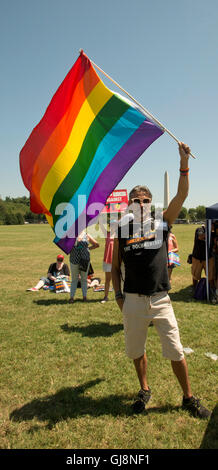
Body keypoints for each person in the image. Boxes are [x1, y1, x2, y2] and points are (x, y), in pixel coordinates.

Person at [112, 142, 211, 419]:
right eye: (136, 200)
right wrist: (118, 296)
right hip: (132, 300)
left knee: (176, 350)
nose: (141, 204)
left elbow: (181, 194)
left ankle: (188, 397)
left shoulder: (162, 222)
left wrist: (183, 164)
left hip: (160, 299)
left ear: (150, 204)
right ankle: (144, 389)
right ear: (130, 204)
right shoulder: (121, 230)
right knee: (136, 349)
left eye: (146, 200)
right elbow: (115, 266)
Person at [69, 230, 99, 303]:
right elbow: (66, 246)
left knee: (84, 279)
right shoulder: (71, 234)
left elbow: (96, 244)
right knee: (74, 279)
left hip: (84, 260)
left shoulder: (87, 235)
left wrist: (88, 249)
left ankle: (84, 297)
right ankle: (71, 297)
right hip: (74, 260)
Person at [191, 224, 214, 295]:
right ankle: (195, 290)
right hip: (197, 258)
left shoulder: (213, 233)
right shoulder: (200, 229)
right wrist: (209, 231)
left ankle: (212, 291)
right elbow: (200, 236)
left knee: (211, 276)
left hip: (209, 258)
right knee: (196, 276)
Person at [101, 224, 115, 304]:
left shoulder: (118, 235)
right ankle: (105, 297)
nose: (113, 226)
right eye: (112, 225)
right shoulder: (107, 234)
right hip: (107, 260)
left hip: (116, 260)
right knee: (107, 280)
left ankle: (120, 296)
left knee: (118, 279)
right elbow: (101, 227)